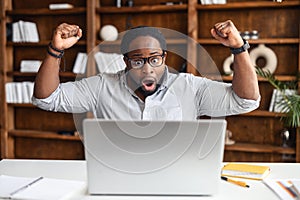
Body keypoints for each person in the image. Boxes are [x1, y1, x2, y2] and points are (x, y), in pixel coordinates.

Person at [32, 20, 260, 120]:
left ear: (165, 58)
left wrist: (239, 48)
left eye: (154, 59)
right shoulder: (102, 86)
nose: (147, 68)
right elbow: (46, 98)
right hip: (117, 183)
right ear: (125, 62)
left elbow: (246, 101)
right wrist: (55, 51)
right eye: (138, 61)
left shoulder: (190, 87)